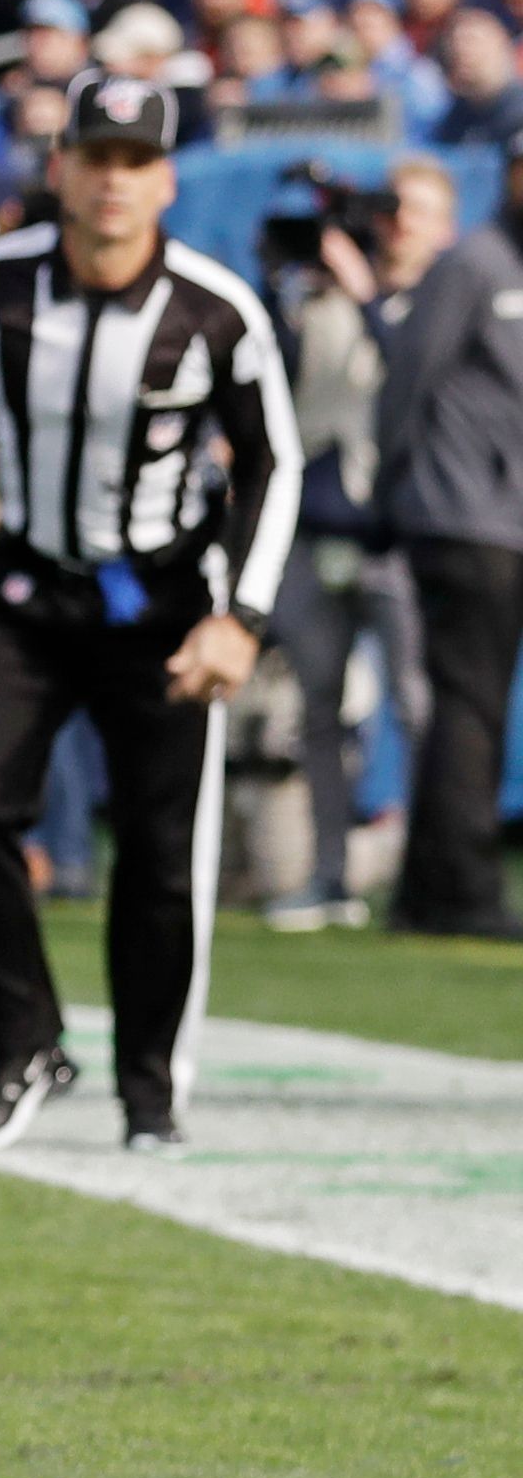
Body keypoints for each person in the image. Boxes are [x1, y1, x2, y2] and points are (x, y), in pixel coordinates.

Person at [0, 70, 296, 1153]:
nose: (115, 182)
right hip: (28, 587)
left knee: (161, 857)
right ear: (60, 168)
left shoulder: (215, 310)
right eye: (97, 158)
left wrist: (242, 616)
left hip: (166, 606)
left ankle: (150, 1090)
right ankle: (21, 1038)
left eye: (136, 163)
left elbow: (277, 462)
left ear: (166, 179)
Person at [262, 167, 434, 931]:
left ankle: (433, 873)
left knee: (418, 705)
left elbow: (408, 368)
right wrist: (294, 284)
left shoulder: (438, 294)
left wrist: (364, 291)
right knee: (318, 712)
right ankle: (329, 875)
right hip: (313, 528)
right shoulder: (314, 301)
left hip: (394, 534)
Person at [372, 151, 523, 940]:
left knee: (472, 704)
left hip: (503, 517)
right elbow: (410, 378)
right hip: (462, 516)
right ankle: (462, 890)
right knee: (468, 706)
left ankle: (427, 893)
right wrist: (391, 494)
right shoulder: (473, 264)